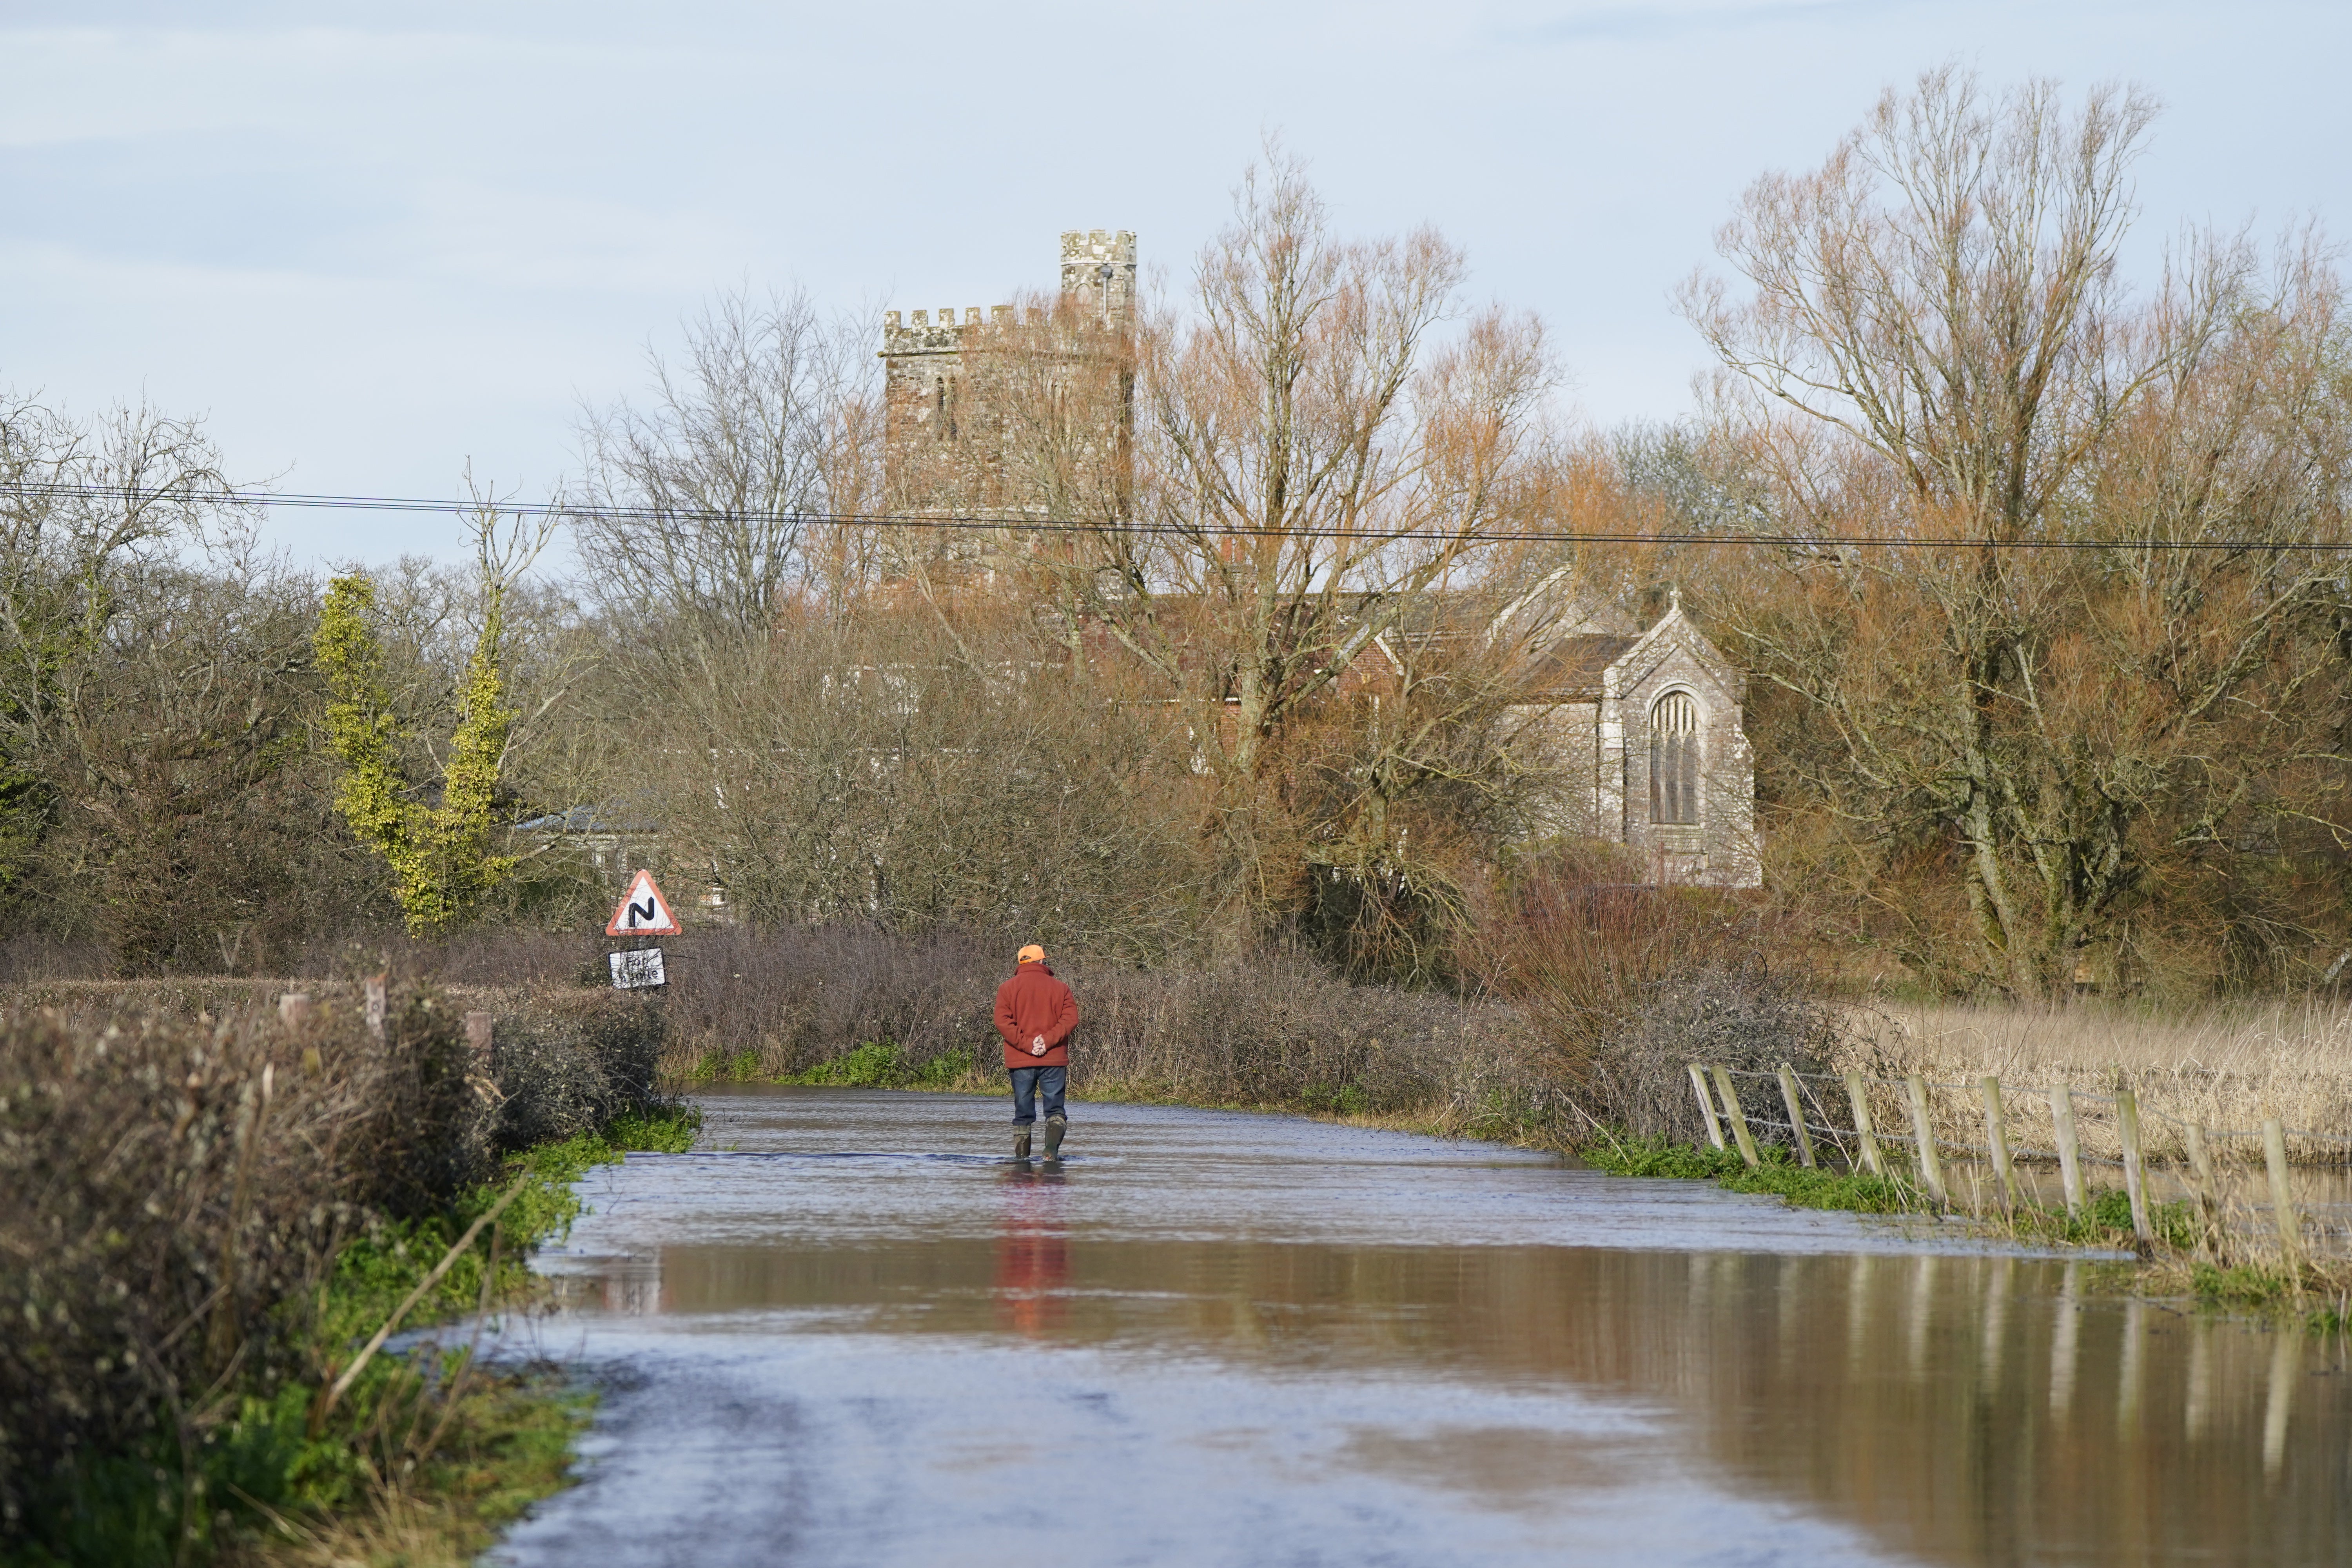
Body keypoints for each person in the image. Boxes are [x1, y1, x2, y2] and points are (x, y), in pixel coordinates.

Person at [994, 942, 1077, 1160]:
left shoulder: (1007, 988)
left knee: (1023, 1113)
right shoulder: (1061, 988)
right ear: (1042, 961)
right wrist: (1047, 1041)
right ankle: (1050, 1153)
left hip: (1020, 1060)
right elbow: (1070, 1020)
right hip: (1054, 1059)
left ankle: (1022, 1161)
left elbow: (1002, 1022)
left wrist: (1027, 1044)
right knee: (1055, 1110)